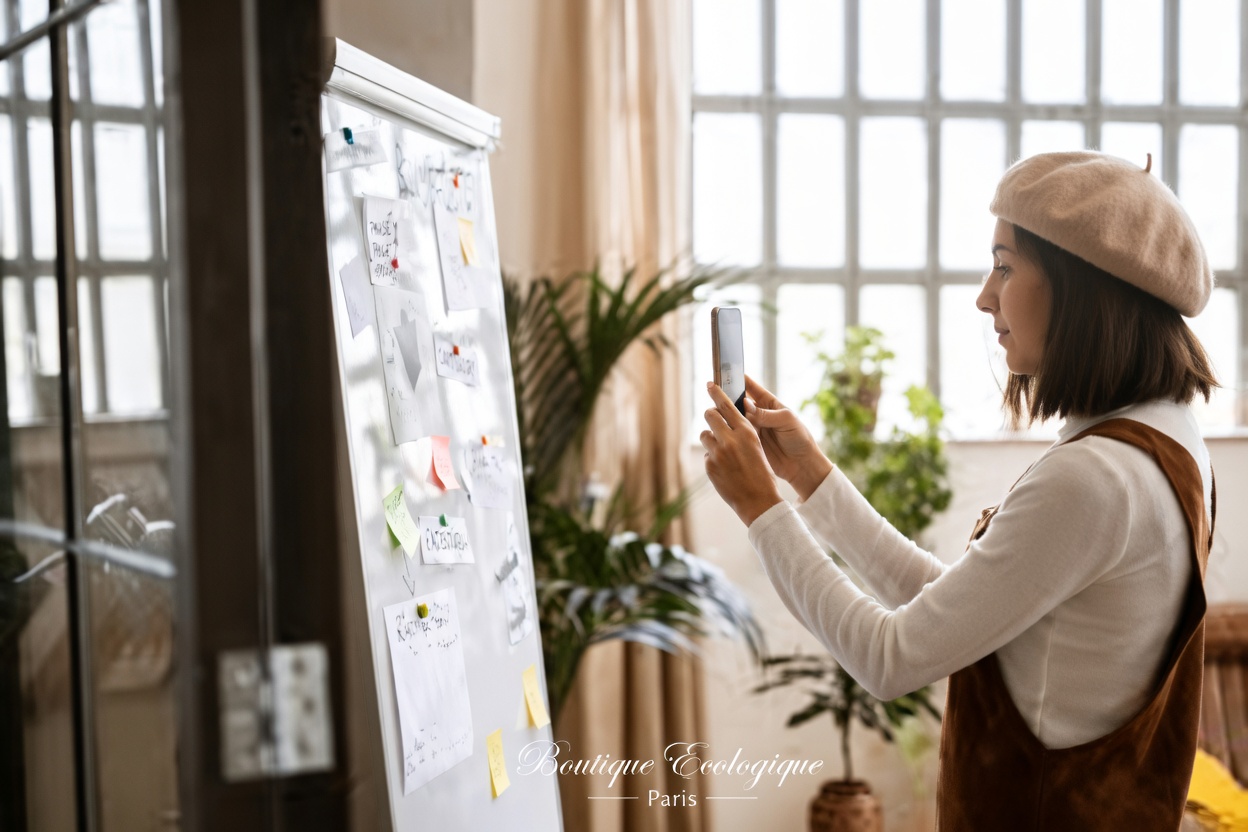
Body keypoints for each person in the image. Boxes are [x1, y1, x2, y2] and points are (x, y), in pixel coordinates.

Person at [700, 151, 1220, 830]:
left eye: (1005, 265)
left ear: (1080, 284)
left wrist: (759, 508)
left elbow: (890, 658)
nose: (985, 295)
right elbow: (961, 614)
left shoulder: (1094, 478)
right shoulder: (1173, 442)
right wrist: (809, 479)